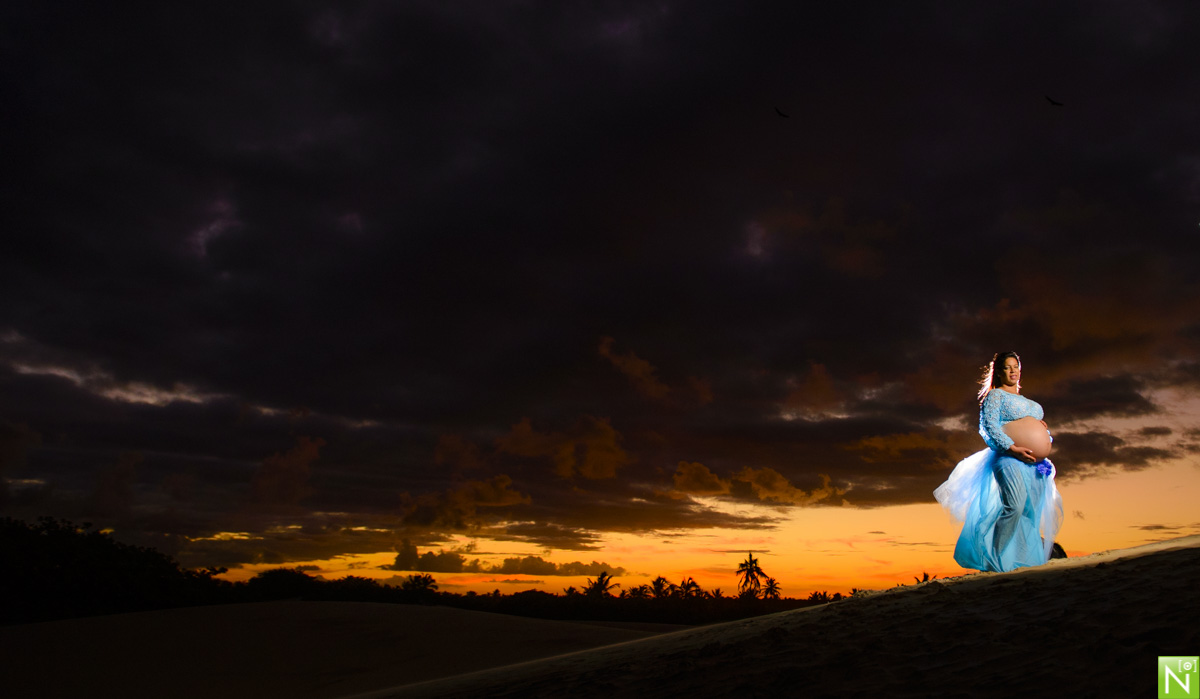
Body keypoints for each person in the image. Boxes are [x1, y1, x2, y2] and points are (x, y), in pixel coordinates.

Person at [934, 352, 1064, 572]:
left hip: (1035, 464)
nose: (1013, 371)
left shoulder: (1029, 403)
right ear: (999, 371)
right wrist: (1013, 448)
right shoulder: (996, 397)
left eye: (1016, 366)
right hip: (1009, 458)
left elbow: (1039, 430)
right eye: (1007, 367)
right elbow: (988, 428)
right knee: (1014, 505)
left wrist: (1044, 438)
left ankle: (1024, 561)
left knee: (1030, 513)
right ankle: (995, 560)